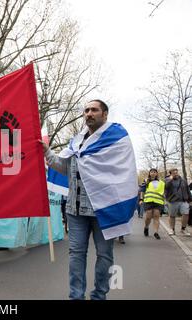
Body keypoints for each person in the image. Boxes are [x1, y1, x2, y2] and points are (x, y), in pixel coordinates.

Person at [41, 99, 137, 300]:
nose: (89, 113)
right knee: (76, 254)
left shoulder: (117, 139)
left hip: (104, 210)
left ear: (105, 114)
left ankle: (99, 295)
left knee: (104, 255)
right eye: (86, 110)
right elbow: (65, 168)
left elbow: (123, 174)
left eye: (94, 110)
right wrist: (47, 153)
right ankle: (76, 296)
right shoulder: (76, 142)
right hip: (75, 210)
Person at [165, 168, 191, 236]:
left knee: (186, 214)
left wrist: (190, 199)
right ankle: (172, 230)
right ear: (170, 173)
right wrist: (171, 179)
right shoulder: (167, 180)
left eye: (176, 172)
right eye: (174, 172)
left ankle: (183, 229)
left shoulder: (183, 180)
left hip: (183, 200)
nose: (176, 173)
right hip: (172, 201)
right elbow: (166, 187)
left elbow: (187, 190)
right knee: (172, 216)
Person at [141, 168, 165, 240]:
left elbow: (164, 192)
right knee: (148, 217)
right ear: (149, 173)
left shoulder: (162, 183)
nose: (153, 173)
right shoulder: (146, 181)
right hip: (148, 201)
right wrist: (141, 199)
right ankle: (146, 227)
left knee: (156, 216)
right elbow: (142, 191)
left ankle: (156, 232)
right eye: (151, 172)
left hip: (158, 202)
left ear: (157, 173)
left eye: (154, 172)